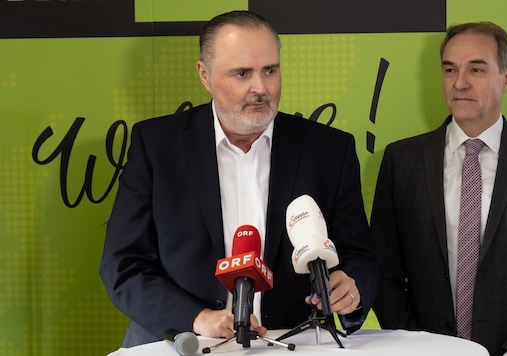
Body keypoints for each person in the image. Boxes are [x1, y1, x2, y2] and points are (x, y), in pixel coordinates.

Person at [99, 10, 378, 347]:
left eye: (270, 71)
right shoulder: (156, 147)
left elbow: (358, 255)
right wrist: (198, 318)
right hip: (180, 343)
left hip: (292, 344)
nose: (260, 88)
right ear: (205, 75)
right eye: (242, 73)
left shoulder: (330, 150)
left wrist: (353, 287)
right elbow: (123, 266)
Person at [370, 21, 507, 356]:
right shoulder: (402, 161)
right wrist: (416, 347)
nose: (460, 83)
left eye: (476, 69)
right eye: (450, 69)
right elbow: (384, 274)